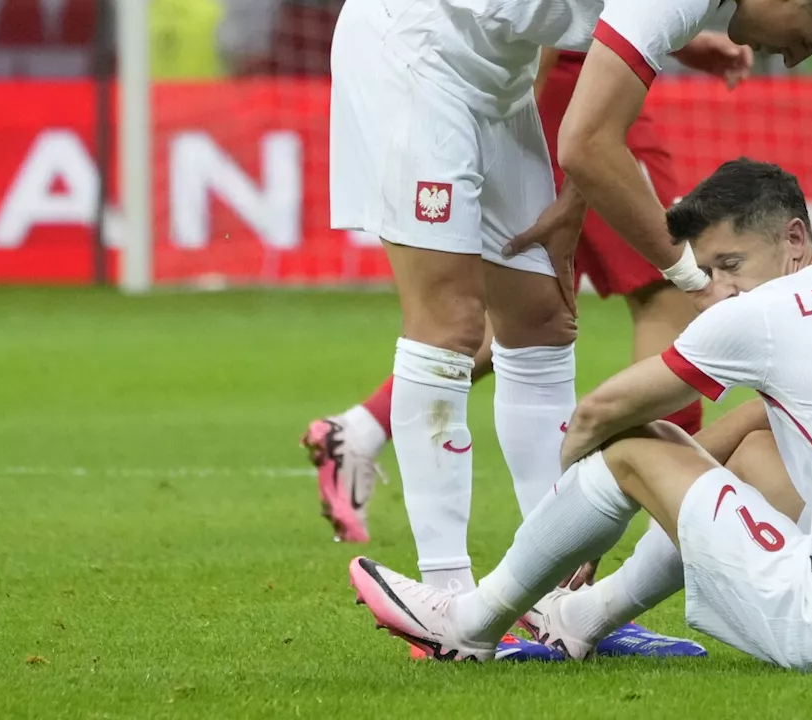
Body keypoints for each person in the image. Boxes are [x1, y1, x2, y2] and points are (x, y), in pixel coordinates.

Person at [344, 159, 812, 671]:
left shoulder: (762, 314)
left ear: (795, 240)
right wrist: (682, 473)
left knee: (633, 445)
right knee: (748, 456)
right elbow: (753, 425)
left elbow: (599, 414)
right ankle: (578, 620)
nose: (715, 292)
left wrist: (582, 521)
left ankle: (470, 622)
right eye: (704, 272)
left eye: (730, 265)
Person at [303, 41, 733, 660]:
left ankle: (555, 601)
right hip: (435, 63)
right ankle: (448, 608)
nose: (794, 57)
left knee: (541, 314)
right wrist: (695, 277)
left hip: (521, 87)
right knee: (455, 315)